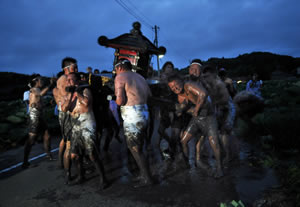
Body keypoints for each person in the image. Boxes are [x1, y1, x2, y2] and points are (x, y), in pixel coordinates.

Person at [167, 74, 224, 178]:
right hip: (197, 118)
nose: (175, 88)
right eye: (172, 87)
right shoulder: (180, 97)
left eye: (176, 85)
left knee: (213, 142)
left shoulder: (188, 85)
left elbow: (203, 94)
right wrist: (182, 110)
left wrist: (196, 109)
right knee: (183, 141)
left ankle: (219, 168)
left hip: (209, 116)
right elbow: (187, 109)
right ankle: (186, 163)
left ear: (181, 81)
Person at [114, 58, 153, 188]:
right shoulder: (140, 77)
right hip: (144, 113)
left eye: (115, 69)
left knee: (135, 148)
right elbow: (149, 95)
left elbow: (120, 101)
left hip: (132, 115)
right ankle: (144, 174)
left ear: (119, 67)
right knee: (141, 146)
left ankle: (147, 178)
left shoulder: (120, 77)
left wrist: (115, 99)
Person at [66, 73, 108, 189]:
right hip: (75, 126)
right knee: (74, 155)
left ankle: (103, 179)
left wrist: (77, 92)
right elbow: (65, 108)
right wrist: (70, 94)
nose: (68, 82)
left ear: (77, 81)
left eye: (71, 80)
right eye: (67, 80)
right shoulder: (69, 93)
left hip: (87, 124)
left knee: (92, 154)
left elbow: (86, 103)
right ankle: (81, 176)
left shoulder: (85, 90)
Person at [202, 65, 236, 164]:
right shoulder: (209, 84)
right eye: (204, 76)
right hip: (218, 109)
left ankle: (228, 155)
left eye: (207, 76)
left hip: (227, 109)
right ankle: (225, 152)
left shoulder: (219, 84)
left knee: (224, 131)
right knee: (218, 132)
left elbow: (225, 101)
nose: (205, 78)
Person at [22, 76, 55, 168]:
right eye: (40, 80)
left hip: (39, 115)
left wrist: (48, 104)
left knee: (47, 135)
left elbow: (39, 103)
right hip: (34, 116)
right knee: (31, 139)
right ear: (35, 81)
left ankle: (48, 155)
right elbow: (41, 94)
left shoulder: (37, 91)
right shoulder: (34, 89)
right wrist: (51, 84)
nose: (42, 81)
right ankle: (25, 162)